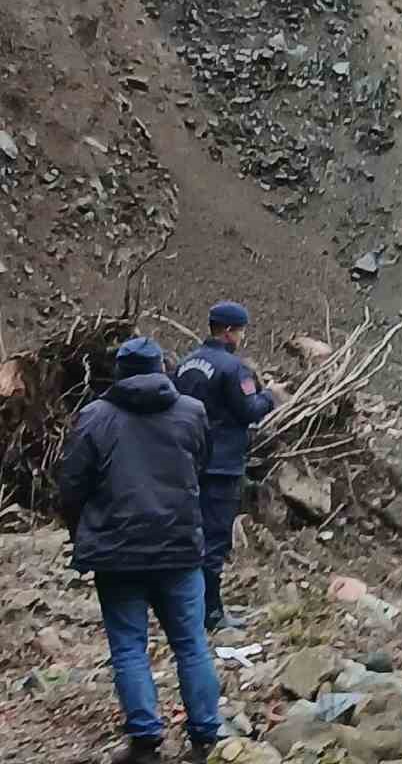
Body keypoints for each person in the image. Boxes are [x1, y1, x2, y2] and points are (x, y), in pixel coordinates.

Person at [59, 335, 222, 763]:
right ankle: (206, 738)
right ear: (161, 368)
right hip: (179, 549)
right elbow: (200, 466)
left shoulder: (94, 417)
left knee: (129, 646)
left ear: (120, 373)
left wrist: (82, 533)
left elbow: (71, 487)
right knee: (191, 644)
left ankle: (145, 742)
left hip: (117, 553)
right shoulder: (192, 412)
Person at [174, 301, 275, 632]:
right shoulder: (234, 369)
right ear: (230, 331)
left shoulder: (186, 364)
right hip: (222, 465)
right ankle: (212, 614)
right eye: (241, 331)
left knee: (189, 536)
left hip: (188, 462)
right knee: (215, 539)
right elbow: (249, 410)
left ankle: (183, 607)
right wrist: (270, 396)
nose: (242, 337)